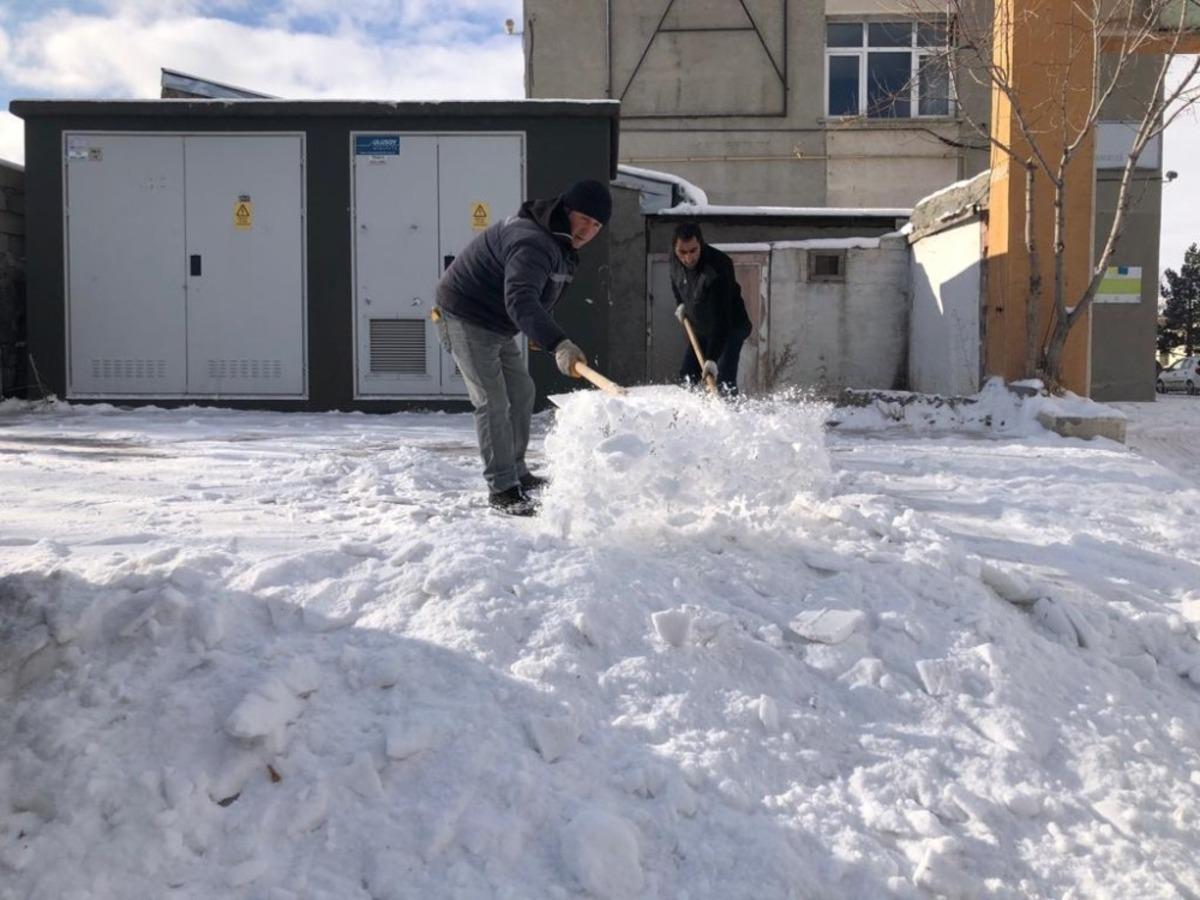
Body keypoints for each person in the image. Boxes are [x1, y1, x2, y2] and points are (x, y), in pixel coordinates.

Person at [434, 179, 611, 516]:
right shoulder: (533, 241)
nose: (588, 229)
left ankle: (516, 471)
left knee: (521, 391)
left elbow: (538, 296)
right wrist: (558, 342)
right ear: (567, 210)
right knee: (492, 401)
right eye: (584, 218)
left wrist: (539, 329)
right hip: (464, 316)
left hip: (496, 322)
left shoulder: (559, 242)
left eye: (597, 225)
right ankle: (502, 490)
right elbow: (520, 298)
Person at [669, 223, 752, 394]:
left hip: (730, 327)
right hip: (701, 326)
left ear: (701, 244)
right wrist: (680, 303)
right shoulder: (674, 260)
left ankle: (730, 415)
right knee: (687, 377)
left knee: (723, 381)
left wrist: (712, 358)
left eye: (693, 251)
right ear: (675, 249)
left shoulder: (718, 267)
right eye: (682, 252)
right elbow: (677, 283)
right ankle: (695, 417)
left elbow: (722, 317)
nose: (688, 258)